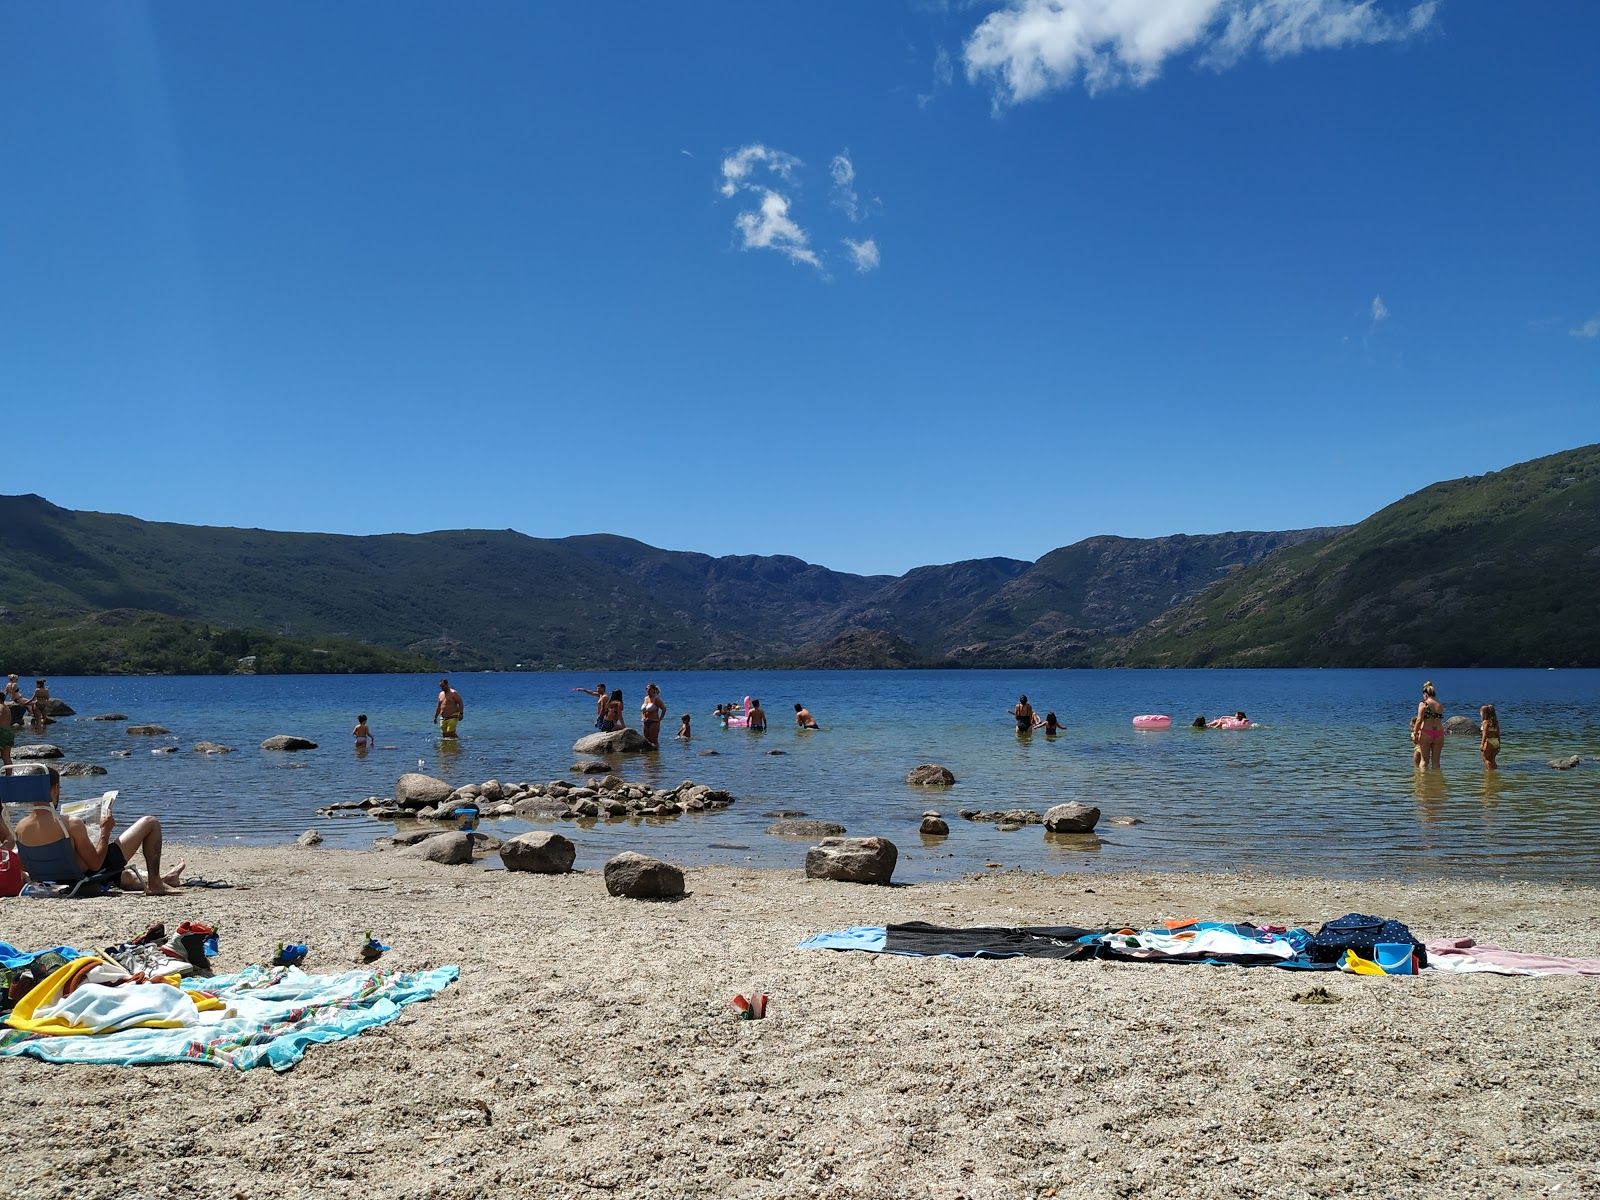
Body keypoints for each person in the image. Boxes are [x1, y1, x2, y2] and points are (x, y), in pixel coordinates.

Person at [3, 767, 185, 895]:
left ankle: (168, 878)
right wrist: (105, 830)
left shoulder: (21, 827)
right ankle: (155, 883)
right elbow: (97, 864)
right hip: (83, 876)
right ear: (55, 789)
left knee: (124, 876)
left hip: (54, 879)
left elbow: (27, 865)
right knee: (150, 822)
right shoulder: (71, 823)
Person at [1414, 681, 1445, 771]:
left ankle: (1423, 783)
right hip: (1439, 733)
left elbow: (1419, 720)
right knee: (1436, 763)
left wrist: (1415, 733)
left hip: (1426, 733)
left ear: (1425, 694)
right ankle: (1436, 783)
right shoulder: (1440, 705)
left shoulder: (1423, 704)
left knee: (1424, 762)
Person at [640, 683, 666, 747]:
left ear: (653, 690)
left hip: (654, 721)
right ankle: (649, 756)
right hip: (645, 721)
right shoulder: (645, 698)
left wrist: (660, 719)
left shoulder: (656, 698)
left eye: (649, 689)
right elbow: (643, 710)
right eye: (646, 689)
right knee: (647, 740)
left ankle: (656, 755)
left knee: (654, 740)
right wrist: (643, 717)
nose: (647, 690)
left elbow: (664, 709)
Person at [1479, 704, 1501, 770]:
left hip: (1488, 741)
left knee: (1485, 759)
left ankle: (1489, 775)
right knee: (1492, 760)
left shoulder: (1485, 722)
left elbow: (1485, 734)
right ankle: (1495, 774)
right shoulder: (1495, 722)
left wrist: (1482, 744)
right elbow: (1498, 734)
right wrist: (1499, 744)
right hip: (1495, 741)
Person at [0, 697, 13, 768]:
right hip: (9, 733)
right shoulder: (7, 708)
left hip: (2, 733)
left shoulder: (0, 706)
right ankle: (9, 777)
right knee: (6, 757)